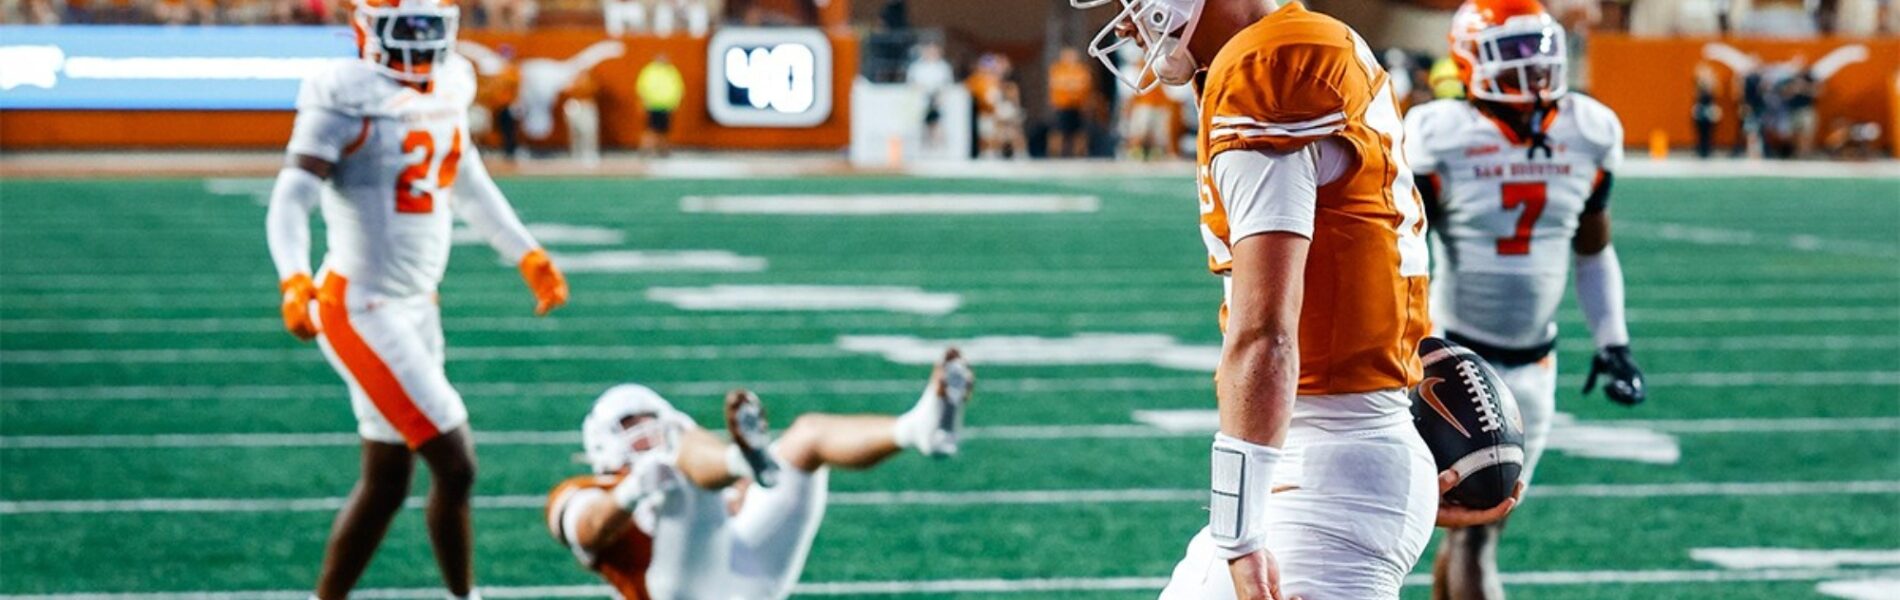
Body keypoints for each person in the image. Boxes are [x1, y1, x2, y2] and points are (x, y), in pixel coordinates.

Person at [1073, 0, 1523, 598]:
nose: (1128, 23)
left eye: (1135, 1)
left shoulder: (1271, 65)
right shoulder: (1304, 42)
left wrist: (1239, 536)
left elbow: (1265, 332)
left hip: (1327, 476)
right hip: (1334, 462)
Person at [264, 1, 570, 597]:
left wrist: (525, 252)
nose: (421, 41)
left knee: (385, 482)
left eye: (432, 27)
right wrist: (292, 277)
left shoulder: (453, 81)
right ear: (365, 28)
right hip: (360, 305)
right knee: (456, 465)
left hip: (417, 304)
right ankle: (466, 597)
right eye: (407, 27)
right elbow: (291, 197)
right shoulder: (343, 94)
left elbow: (467, 178)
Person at [1403, 0, 1647, 597]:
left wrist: (1613, 341)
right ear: (1469, 56)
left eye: (1538, 48)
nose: (1532, 65)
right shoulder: (1441, 133)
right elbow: (1403, 251)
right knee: (1430, 529)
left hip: (1535, 365)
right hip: (1450, 364)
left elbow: (1592, 248)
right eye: (1511, 50)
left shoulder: (1589, 129)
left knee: (1480, 529)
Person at [547, 350, 975, 600]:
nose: (648, 434)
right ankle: (742, 459)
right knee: (683, 472)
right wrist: (631, 491)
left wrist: (740, 479)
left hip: (748, 575)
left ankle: (919, 429)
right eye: (632, 428)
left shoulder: (692, 455)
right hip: (679, 593)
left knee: (808, 436)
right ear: (602, 445)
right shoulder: (585, 490)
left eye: (652, 421)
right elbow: (587, 530)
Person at [907, 42, 957, 149]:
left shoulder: (944, 67)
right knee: (921, 124)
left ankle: (938, 146)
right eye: (929, 51)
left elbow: (947, 84)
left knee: (937, 122)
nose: (931, 53)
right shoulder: (916, 67)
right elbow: (912, 83)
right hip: (921, 99)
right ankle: (922, 146)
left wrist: (940, 95)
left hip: (938, 99)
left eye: (934, 51)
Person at [1047, 46, 1095, 158]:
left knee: (1079, 132)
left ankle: (1080, 155)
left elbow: (1085, 85)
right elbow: (1056, 85)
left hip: (1078, 105)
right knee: (1058, 130)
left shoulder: (1081, 70)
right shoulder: (1058, 69)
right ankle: (1054, 154)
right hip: (1062, 105)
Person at [637, 54, 684, 157]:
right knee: (651, 129)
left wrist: (675, 103)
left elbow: (678, 88)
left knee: (664, 130)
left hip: (666, 105)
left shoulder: (671, 72)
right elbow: (642, 87)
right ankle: (646, 149)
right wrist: (644, 101)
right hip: (653, 105)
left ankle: (663, 150)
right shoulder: (649, 71)